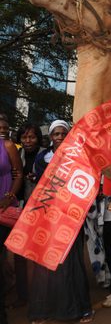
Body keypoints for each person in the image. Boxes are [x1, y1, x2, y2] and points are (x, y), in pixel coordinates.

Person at [28, 120, 94, 324]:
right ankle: (43, 310)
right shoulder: (42, 158)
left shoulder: (79, 155)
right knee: (45, 262)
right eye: (55, 134)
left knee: (72, 261)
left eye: (62, 133)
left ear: (68, 135)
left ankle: (81, 309)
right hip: (47, 217)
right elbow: (40, 185)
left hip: (71, 216)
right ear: (50, 137)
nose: (59, 137)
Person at [10, 124, 45, 308]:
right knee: (18, 254)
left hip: (41, 211)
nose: (28, 141)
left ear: (38, 138)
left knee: (37, 255)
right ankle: (23, 295)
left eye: (31, 137)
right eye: (24, 137)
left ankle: (39, 295)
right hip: (20, 209)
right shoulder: (16, 154)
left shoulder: (46, 155)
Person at [0, 116, 23, 324]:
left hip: (2, 210)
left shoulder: (7, 146)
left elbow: (18, 174)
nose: (3, 130)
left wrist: (9, 197)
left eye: (6, 127)